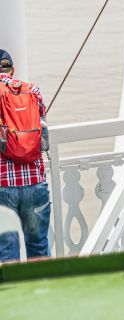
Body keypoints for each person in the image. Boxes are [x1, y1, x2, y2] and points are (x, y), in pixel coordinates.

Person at [0, 49, 50, 262]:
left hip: (3, 185)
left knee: (7, 252)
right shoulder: (33, 90)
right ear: (12, 70)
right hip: (35, 182)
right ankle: (43, 282)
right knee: (39, 247)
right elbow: (42, 126)